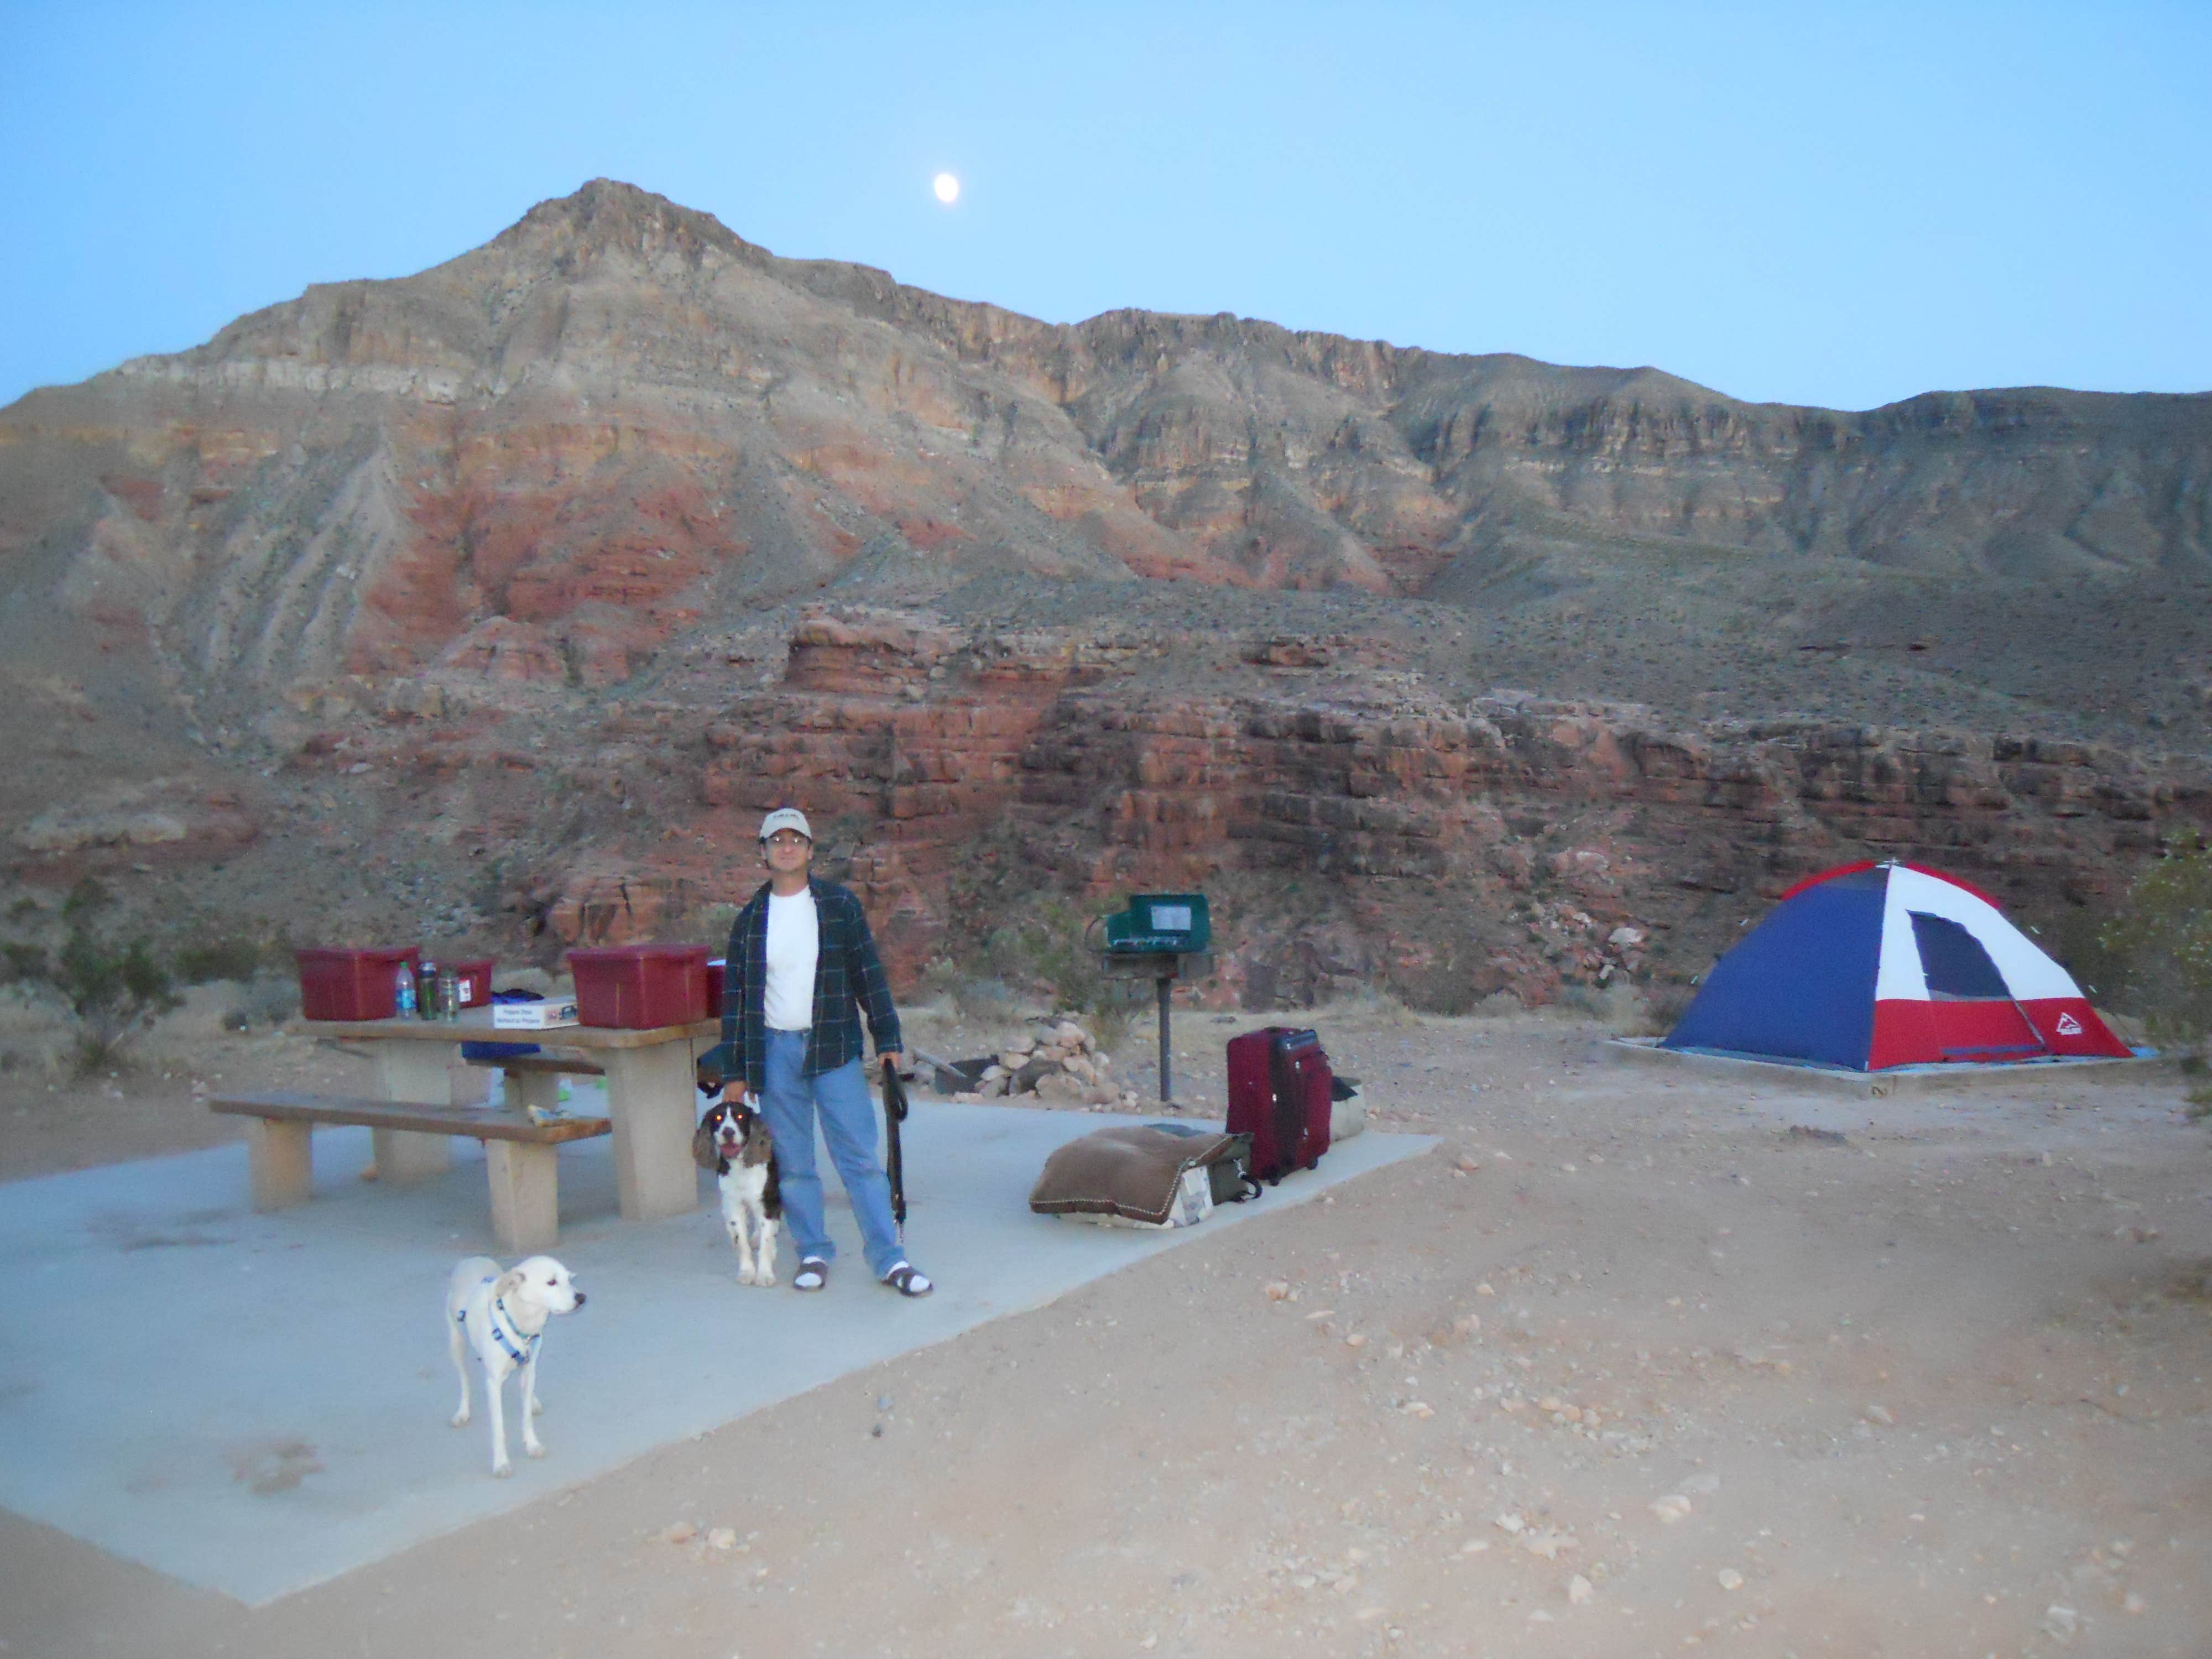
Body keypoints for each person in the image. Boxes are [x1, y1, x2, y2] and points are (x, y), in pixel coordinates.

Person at [707, 807, 931, 1297]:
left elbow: (867, 974)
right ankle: (812, 1250)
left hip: (832, 1047)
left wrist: (888, 1040)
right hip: (773, 1052)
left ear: (810, 850)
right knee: (792, 1161)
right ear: (763, 853)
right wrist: (736, 1073)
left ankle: (890, 1258)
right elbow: (736, 1002)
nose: (786, 847)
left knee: (858, 1156)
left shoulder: (838, 906)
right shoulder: (749, 922)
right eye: (776, 840)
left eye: (796, 839)